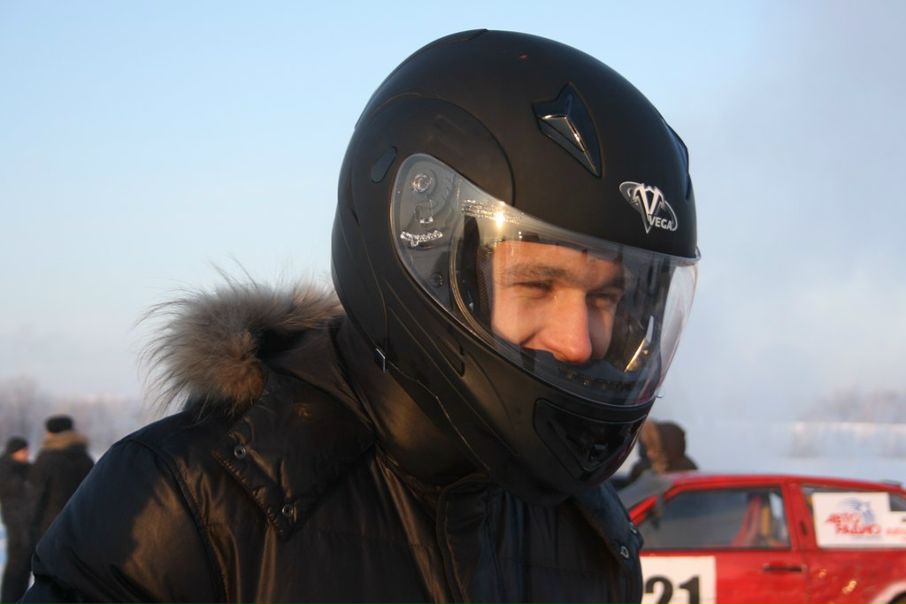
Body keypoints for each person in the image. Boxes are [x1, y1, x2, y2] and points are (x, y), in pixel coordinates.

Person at [22, 29, 699, 603]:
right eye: (538, 283)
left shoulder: (587, 530)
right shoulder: (188, 502)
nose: (581, 342)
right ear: (421, 253)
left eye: (606, 298)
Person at [28, 415, 94, 547]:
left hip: (51, 526)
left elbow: (35, 495)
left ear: (51, 433)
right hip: (82, 524)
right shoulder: (85, 458)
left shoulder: (46, 458)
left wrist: (30, 526)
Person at [0, 437, 33, 603]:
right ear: (14, 452)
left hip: (26, 521)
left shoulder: (27, 468)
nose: (26, 454)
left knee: (24, 563)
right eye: (23, 451)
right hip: (14, 520)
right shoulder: (5, 469)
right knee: (16, 562)